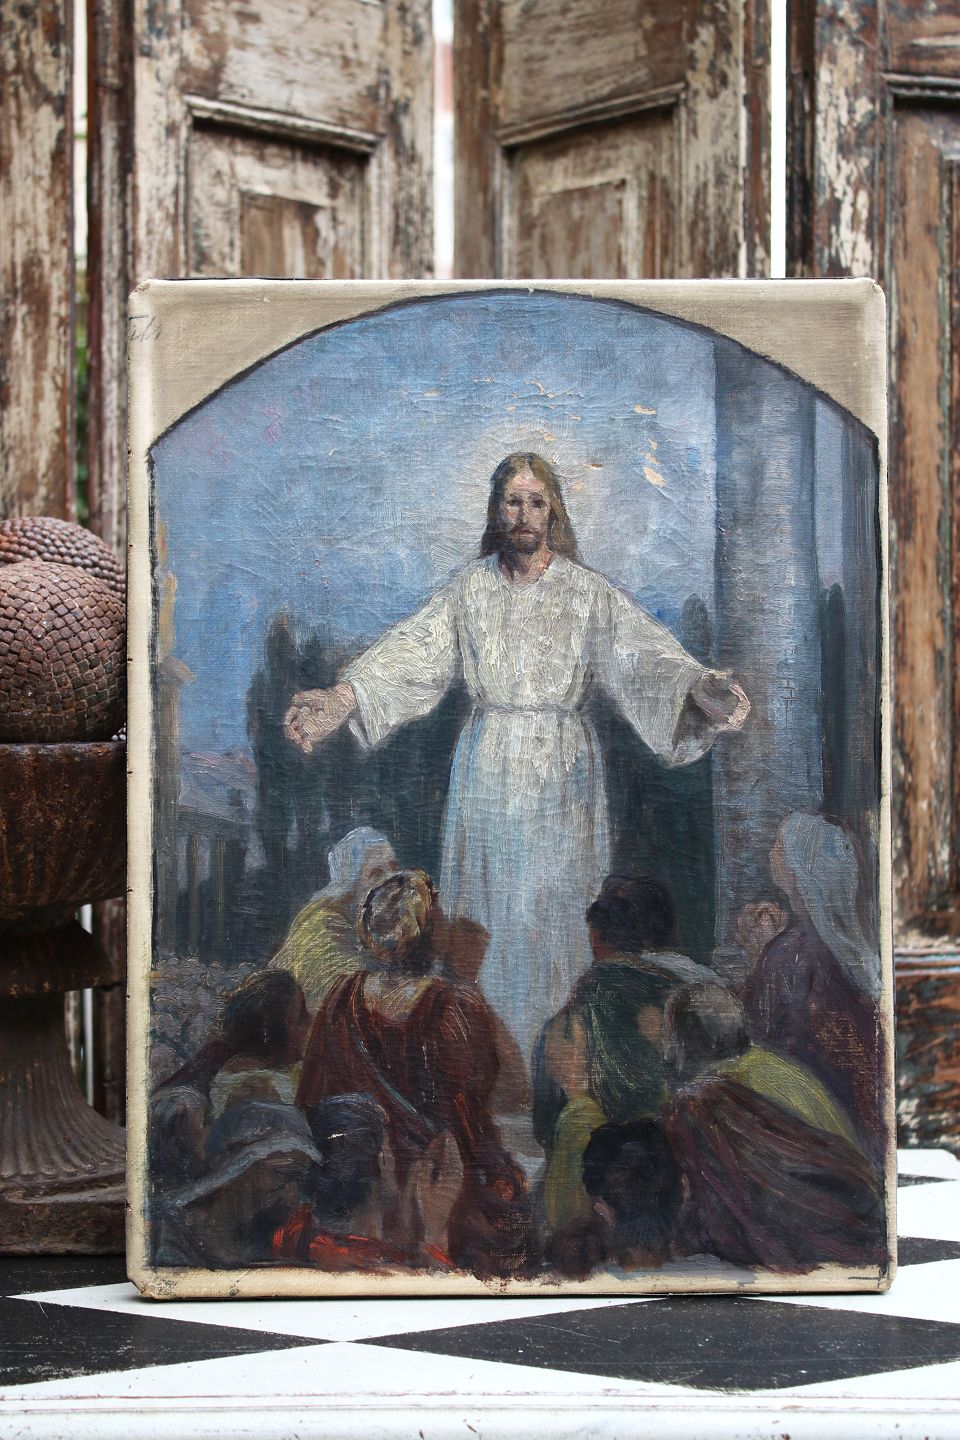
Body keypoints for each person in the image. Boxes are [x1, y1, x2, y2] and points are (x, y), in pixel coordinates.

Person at [284, 453, 750, 1064]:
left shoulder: (585, 592)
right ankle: (485, 1063)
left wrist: (697, 690)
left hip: (563, 776)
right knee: (487, 915)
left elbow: (643, 658)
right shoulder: (470, 589)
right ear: (496, 510)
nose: (524, 515)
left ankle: (560, 1066)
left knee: (558, 912)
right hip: (489, 772)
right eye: (512, 501)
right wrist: (342, 699)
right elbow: (410, 653)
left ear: (553, 511)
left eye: (535, 502)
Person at [296, 869, 531, 1277]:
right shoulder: (453, 1005)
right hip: (436, 1180)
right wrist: (470, 980)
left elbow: (313, 1094)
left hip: (358, 1182)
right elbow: (509, 1092)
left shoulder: (342, 996)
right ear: (429, 932)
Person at [534, 873, 710, 1236]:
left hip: (599, 1184)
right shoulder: (680, 993)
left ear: (597, 939)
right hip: (673, 1176)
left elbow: (546, 1120)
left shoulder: (577, 1009)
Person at [742, 812, 882, 1146]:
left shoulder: (789, 953)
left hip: (808, 1112)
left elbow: (757, 1037)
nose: (772, 852)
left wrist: (758, 952)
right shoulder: (847, 944)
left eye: (779, 845)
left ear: (796, 868)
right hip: (848, 1102)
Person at [663, 981, 861, 1148]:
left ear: (689, 1039)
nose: (666, 1045)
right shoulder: (765, 1063)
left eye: (671, 1034)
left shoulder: (723, 1094)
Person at [269, 826, 398, 1011]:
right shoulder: (322, 929)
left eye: (394, 869)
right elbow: (352, 997)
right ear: (350, 886)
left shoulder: (370, 926)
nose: (391, 880)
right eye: (376, 874)